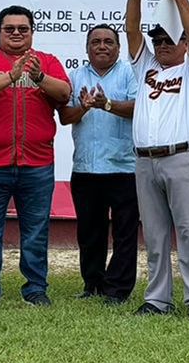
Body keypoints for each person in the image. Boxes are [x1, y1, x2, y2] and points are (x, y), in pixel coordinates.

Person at [0, 6, 72, 308]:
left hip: (36, 164)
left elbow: (64, 93)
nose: (16, 33)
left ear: (32, 32)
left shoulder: (46, 61)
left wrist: (39, 77)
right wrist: (11, 75)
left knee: (36, 231)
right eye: (9, 28)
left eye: (22, 28)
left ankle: (35, 289)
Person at [125, 0, 189, 319]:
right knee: (155, 236)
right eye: (158, 39)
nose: (161, 44)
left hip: (182, 158)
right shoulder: (145, 66)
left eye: (168, 39)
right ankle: (158, 300)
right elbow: (132, 30)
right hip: (145, 161)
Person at [58, 25, 139, 305]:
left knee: (124, 234)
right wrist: (84, 106)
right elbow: (65, 117)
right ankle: (92, 284)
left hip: (124, 168)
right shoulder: (76, 76)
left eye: (108, 42)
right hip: (85, 169)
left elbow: (139, 108)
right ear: (87, 48)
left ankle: (117, 290)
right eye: (96, 42)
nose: (102, 46)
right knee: (90, 233)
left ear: (118, 47)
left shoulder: (130, 72)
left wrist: (106, 104)